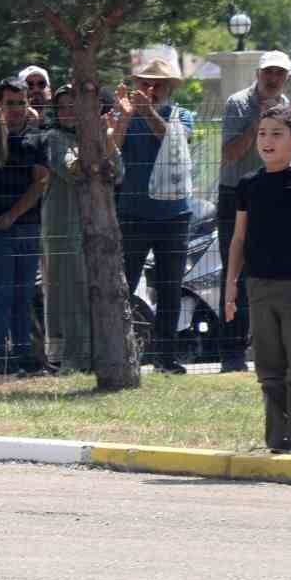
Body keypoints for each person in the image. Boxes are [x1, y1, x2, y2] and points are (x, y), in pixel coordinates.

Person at [225, 105, 291, 455]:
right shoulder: (248, 185)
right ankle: (278, 442)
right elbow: (239, 238)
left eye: (277, 134)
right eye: (262, 134)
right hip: (258, 286)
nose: (267, 141)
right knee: (269, 369)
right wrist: (231, 286)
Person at [109, 59, 195, 374]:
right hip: (133, 214)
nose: (151, 89)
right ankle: (117, 352)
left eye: (158, 84)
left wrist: (148, 113)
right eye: (146, 83)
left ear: (170, 88)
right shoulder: (127, 116)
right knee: (124, 286)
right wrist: (124, 116)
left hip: (175, 215)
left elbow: (179, 142)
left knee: (170, 288)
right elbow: (111, 150)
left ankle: (165, 356)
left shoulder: (181, 115)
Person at [218, 51, 291, 371]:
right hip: (236, 194)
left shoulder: (287, 104)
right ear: (258, 73)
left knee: (268, 270)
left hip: (270, 193)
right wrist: (258, 124)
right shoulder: (238, 103)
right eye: (268, 72)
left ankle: (265, 348)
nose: (273, 78)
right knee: (235, 271)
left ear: (286, 77)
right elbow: (230, 154)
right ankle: (232, 354)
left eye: (279, 73)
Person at [41, 86, 124, 372]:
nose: (67, 112)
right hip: (64, 228)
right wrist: (100, 143)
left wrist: (105, 138)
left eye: (74, 106)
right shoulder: (54, 138)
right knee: (70, 293)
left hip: (98, 230)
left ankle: (99, 355)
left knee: (98, 291)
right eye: (62, 107)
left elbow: (118, 172)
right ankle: (74, 360)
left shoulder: (96, 138)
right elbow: (72, 169)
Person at [0, 79, 50, 375]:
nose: (17, 109)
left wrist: (13, 215)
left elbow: (41, 181)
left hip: (27, 226)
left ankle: (22, 354)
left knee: (23, 295)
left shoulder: (37, 138)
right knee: (0, 294)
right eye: (10, 103)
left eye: (21, 103)